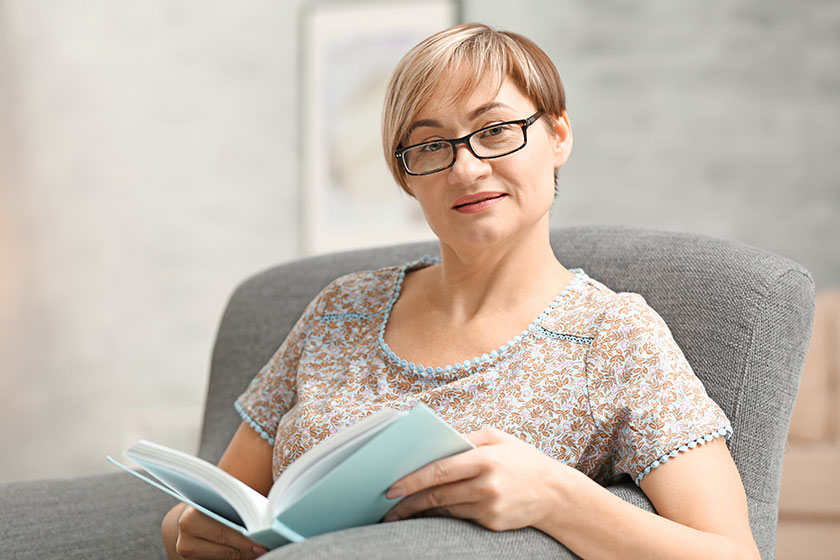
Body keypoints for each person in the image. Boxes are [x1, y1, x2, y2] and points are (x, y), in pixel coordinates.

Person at [162, 23, 761, 559]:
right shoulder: (340, 308)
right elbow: (220, 504)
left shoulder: (613, 337)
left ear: (557, 136)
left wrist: (557, 499)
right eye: (430, 145)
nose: (466, 168)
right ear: (405, 176)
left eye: (496, 130)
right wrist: (184, 530)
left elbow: (733, 555)